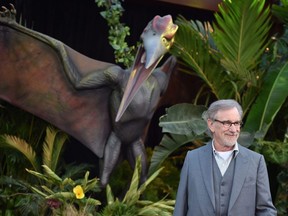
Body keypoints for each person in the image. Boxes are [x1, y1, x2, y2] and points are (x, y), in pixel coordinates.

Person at [173, 99, 277, 216]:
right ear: (211, 124)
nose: (233, 130)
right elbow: (180, 209)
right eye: (227, 123)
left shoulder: (256, 161)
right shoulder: (192, 159)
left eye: (237, 123)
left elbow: (266, 211)